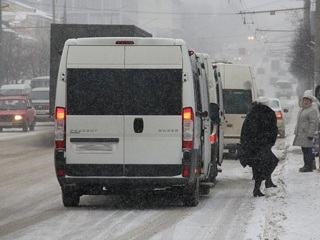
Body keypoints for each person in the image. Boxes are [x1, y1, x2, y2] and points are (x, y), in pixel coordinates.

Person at [238, 96, 279, 197]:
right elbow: (273, 129)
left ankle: (260, 186)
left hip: (252, 145)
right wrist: (270, 141)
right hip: (263, 144)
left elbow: (245, 130)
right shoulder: (269, 113)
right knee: (269, 162)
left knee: (258, 166)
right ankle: (261, 185)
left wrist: (245, 143)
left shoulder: (251, 113)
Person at [293, 90, 319, 172]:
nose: (306, 102)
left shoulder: (312, 110)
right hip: (302, 134)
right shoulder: (302, 109)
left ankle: (308, 167)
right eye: (305, 100)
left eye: (308, 100)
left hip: (307, 134)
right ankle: (310, 165)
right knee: (305, 150)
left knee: (307, 151)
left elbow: (313, 123)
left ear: (310, 101)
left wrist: (311, 134)